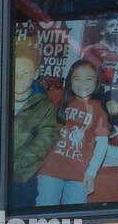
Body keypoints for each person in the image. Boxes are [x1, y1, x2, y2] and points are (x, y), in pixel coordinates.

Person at [0, 43, 58, 209]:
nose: (20, 78)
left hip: (22, 170)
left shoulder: (45, 106)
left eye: (25, 73)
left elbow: (44, 142)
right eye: (15, 73)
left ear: (35, 74)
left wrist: (11, 169)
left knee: (24, 202)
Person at [37, 59, 110, 206]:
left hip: (79, 175)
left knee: (74, 219)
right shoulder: (59, 98)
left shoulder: (98, 110)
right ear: (70, 81)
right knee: (44, 214)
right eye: (77, 79)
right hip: (50, 170)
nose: (82, 84)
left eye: (88, 79)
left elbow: (102, 145)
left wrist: (91, 172)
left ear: (97, 82)